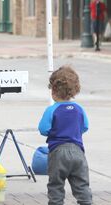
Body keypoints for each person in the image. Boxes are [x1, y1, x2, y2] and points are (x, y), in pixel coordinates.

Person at [38, 66, 93, 205]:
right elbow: (85, 127)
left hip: (58, 152)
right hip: (78, 152)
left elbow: (43, 129)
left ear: (53, 90)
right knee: (82, 185)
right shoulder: (79, 109)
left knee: (56, 186)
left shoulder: (51, 110)